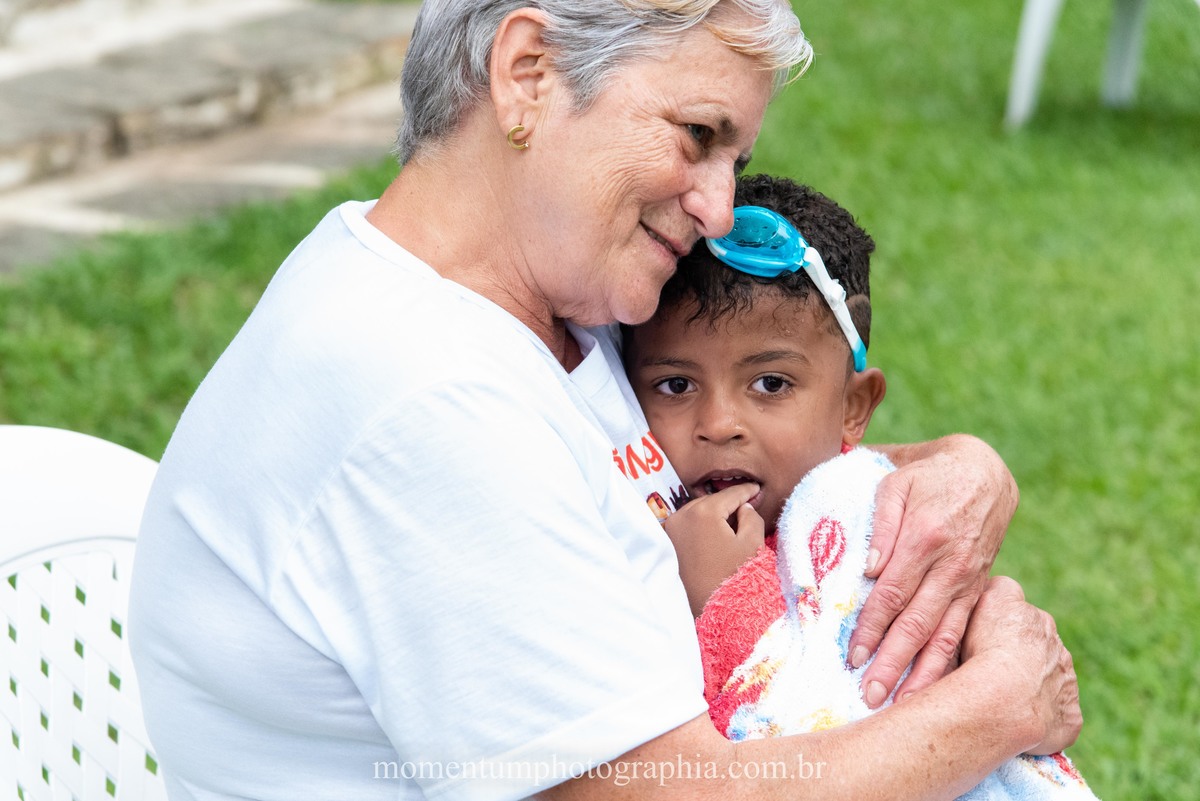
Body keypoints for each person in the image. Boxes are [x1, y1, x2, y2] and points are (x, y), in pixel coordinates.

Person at [127, 3, 1080, 800]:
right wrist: (996, 707)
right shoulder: (426, 402)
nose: (716, 207)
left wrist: (957, 467)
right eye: (697, 137)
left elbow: (714, 469)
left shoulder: (533, 306)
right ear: (529, 74)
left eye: (732, 161)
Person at [623, 175, 1097, 799]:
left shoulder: (888, 525)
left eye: (770, 384)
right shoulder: (645, 544)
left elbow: (863, 701)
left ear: (853, 406)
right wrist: (722, 597)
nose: (718, 426)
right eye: (676, 386)